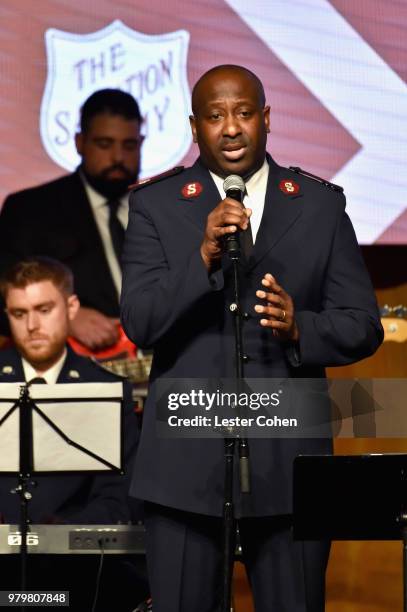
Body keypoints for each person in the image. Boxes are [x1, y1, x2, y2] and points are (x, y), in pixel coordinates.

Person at [120, 64, 384, 612]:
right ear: (195, 129)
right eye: (215, 116)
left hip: (291, 466)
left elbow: (363, 323)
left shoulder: (319, 205)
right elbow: (141, 322)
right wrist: (201, 258)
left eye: (243, 113)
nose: (231, 128)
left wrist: (301, 327)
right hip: (183, 470)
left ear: (266, 119)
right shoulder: (155, 205)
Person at [0, 257, 148, 611]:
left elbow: (120, 495)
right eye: (18, 314)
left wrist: (56, 534)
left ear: (71, 306)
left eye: (44, 309)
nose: (32, 325)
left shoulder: (108, 389)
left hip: (77, 564)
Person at [0, 89, 144, 351]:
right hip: (70, 372)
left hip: (162, 369)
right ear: (80, 142)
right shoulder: (31, 210)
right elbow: (4, 295)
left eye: (129, 145)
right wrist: (66, 316)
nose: (118, 158)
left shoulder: (161, 207)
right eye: (104, 144)